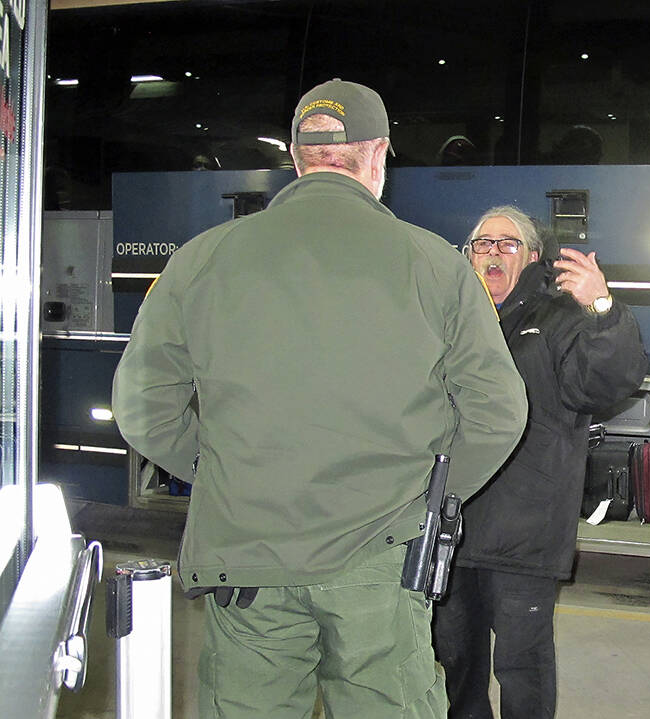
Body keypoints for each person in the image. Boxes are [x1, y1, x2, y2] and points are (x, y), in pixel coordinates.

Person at [111, 79, 528, 719]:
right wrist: (430, 494)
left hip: (246, 555)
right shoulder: (436, 265)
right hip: (380, 557)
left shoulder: (202, 259)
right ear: (378, 154)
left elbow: (143, 405)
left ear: (300, 156)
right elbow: (499, 412)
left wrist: (219, 470)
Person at [433, 206, 649, 718]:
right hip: (451, 525)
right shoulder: (450, 318)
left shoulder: (558, 317)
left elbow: (608, 382)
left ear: (531, 257)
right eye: (482, 244)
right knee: (453, 662)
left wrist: (601, 306)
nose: (491, 253)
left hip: (524, 534)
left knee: (522, 669)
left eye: (506, 245)